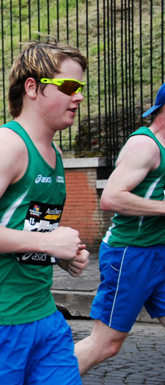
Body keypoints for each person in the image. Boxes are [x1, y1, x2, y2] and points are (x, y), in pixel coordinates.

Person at [0, 38, 91, 384]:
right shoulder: (7, 144)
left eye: (80, 87)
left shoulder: (53, 153)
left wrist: (59, 254)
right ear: (32, 88)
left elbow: (25, 232)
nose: (79, 96)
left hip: (44, 321)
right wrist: (49, 245)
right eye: (69, 86)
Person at [74, 83, 165, 374]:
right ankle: (43, 376)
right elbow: (112, 197)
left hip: (159, 253)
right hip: (131, 256)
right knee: (105, 344)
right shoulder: (145, 145)